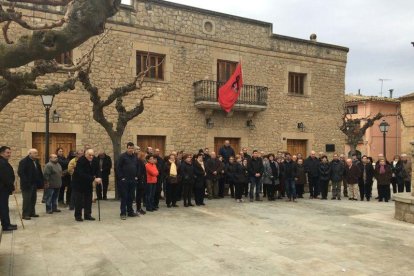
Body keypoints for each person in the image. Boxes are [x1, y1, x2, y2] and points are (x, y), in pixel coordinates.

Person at [72, 149, 101, 222]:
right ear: (85, 154)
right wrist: (93, 179)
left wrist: (98, 177)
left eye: (92, 155)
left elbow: (98, 170)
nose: (91, 157)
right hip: (78, 183)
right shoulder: (81, 161)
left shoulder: (95, 160)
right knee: (79, 200)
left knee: (88, 199)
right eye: (89, 155)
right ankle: (78, 216)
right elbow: (81, 174)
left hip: (88, 183)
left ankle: (87, 215)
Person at [18, 149, 43, 220]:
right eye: (35, 153)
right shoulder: (23, 162)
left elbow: (39, 172)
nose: (36, 154)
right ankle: (25, 214)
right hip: (27, 185)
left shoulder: (36, 161)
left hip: (34, 184)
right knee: (27, 200)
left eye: (37, 153)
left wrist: (41, 182)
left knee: (33, 199)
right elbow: (21, 173)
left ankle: (32, 212)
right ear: (29, 154)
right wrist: (26, 182)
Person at [117, 142, 139, 219]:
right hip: (124, 180)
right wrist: (121, 177)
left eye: (132, 148)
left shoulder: (135, 157)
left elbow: (137, 166)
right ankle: (123, 213)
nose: (131, 149)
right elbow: (118, 168)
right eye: (129, 148)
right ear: (127, 148)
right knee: (124, 197)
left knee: (131, 197)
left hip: (133, 180)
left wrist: (136, 176)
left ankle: (130, 212)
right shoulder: (122, 156)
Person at [0, 146, 17, 231]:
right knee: (3, 207)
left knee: (4, 207)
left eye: (10, 152)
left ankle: (7, 223)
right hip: (2, 189)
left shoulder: (4, 162)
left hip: (4, 189)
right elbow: (5, 178)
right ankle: (6, 225)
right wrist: (12, 187)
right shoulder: (2, 163)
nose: (9, 154)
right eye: (7, 153)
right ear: (2, 153)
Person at [135, 150, 147, 215]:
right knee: (138, 195)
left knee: (140, 195)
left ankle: (139, 208)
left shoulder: (142, 162)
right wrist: (139, 177)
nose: (145, 157)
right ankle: (138, 209)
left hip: (141, 180)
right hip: (140, 180)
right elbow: (139, 171)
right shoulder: (139, 162)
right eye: (144, 156)